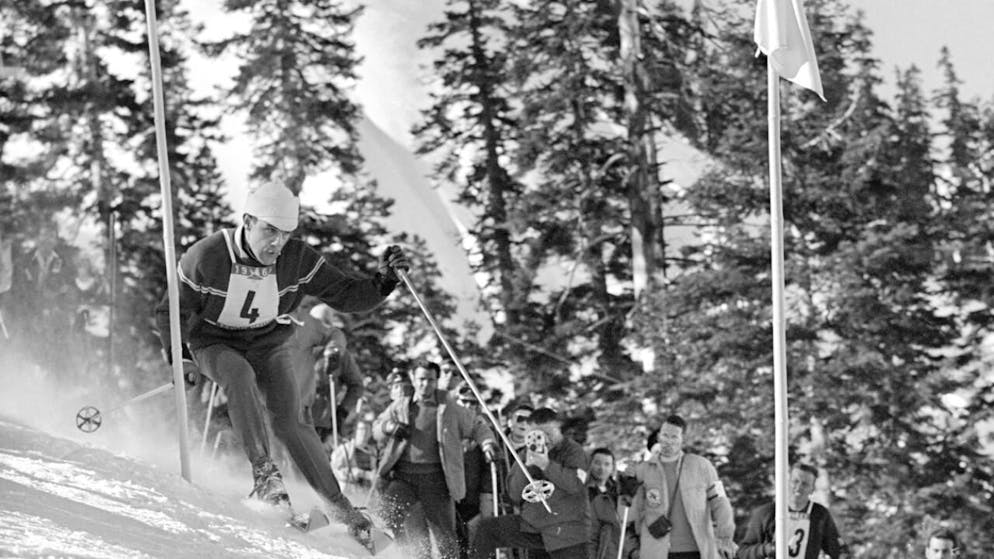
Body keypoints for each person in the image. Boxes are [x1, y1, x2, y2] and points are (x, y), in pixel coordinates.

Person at [154, 179, 409, 546]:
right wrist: (180, 358)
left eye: (286, 234)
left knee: (291, 420)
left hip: (267, 340)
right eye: (269, 231)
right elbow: (170, 311)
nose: (277, 243)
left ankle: (340, 507)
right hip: (213, 340)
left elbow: (347, 295)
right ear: (247, 221)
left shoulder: (297, 259)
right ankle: (265, 477)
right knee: (237, 374)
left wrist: (384, 281)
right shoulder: (207, 256)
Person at [373, 360, 498, 559]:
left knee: (445, 537)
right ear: (413, 379)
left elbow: (477, 426)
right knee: (388, 516)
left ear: (436, 381)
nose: (425, 384)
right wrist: (388, 427)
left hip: (436, 481)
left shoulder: (449, 408)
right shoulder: (402, 405)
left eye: (431, 380)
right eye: (421, 379)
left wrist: (487, 444)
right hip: (403, 477)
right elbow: (377, 427)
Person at [470, 407, 591, 559]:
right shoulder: (526, 453)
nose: (545, 439)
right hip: (533, 526)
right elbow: (513, 494)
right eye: (538, 434)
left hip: (567, 532)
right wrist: (525, 467)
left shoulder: (573, 451)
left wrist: (546, 465)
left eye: (549, 433)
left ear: (559, 429)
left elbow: (576, 485)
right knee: (488, 528)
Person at [629, 414, 736, 559]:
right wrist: (631, 549)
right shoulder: (642, 471)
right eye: (665, 435)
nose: (668, 441)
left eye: (674, 437)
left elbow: (721, 502)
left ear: (682, 440)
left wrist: (725, 537)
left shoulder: (702, 466)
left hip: (697, 550)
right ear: (659, 436)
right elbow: (630, 515)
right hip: (656, 552)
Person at [289, 298, 364, 440]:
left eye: (327, 325)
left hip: (321, 420)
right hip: (294, 413)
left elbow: (356, 385)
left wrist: (342, 411)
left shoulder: (340, 355)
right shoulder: (300, 349)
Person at [736, 463, 845, 559]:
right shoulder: (766, 512)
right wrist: (768, 549)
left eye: (805, 484)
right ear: (787, 483)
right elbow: (743, 552)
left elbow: (837, 550)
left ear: (812, 489)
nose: (798, 487)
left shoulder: (820, 515)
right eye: (795, 481)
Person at [588, 447, 623, 559]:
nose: (602, 468)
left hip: (615, 547)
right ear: (590, 464)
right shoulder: (582, 490)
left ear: (613, 467)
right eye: (597, 463)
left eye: (607, 464)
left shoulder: (618, 491)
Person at [331, 418, 378, 490]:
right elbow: (335, 471)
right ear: (355, 431)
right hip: (348, 490)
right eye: (361, 429)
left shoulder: (372, 451)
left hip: (365, 492)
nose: (364, 433)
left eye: (367, 430)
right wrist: (361, 473)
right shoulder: (344, 449)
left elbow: (374, 472)